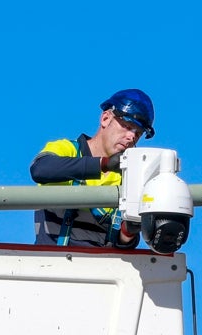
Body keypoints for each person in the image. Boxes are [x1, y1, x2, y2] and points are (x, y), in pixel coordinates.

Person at [30, 89, 156, 249]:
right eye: (126, 125)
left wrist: (128, 232)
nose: (131, 137)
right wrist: (103, 164)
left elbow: (122, 243)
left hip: (99, 270)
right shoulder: (68, 150)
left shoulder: (128, 177)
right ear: (105, 118)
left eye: (138, 133)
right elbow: (41, 169)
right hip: (51, 266)